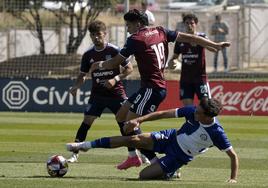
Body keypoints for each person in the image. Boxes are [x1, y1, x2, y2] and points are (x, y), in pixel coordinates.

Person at [90, 9, 231, 170]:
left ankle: (154, 159)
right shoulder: (160, 31)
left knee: (129, 124)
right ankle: (132, 157)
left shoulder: (135, 38)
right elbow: (191, 37)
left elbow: (115, 63)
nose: (127, 28)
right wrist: (215, 44)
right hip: (151, 87)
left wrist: (98, 65)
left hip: (152, 88)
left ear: (137, 24)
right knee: (121, 116)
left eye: (128, 25)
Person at [66, 98, 239, 182]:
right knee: (133, 139)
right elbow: (164, 114)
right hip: (171, 137)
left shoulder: (217, 133)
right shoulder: (193, 111)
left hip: (179, 157)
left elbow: (232, 155)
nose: (195, 112)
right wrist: (139, 120)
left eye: (199, 113)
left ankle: (169, 172)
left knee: (143, 176)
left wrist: (233, 179)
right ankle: (85, 145)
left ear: (209, 117)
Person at [67, 20, 133, 163]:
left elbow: (129, 69)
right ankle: (75, 154)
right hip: (97, 95)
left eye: (98, 34)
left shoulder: (114, 50)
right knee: (86, 122)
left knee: (126, 123)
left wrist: (115, 79)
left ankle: (135, 154)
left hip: (116, 93)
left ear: (105, 34)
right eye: (92, 35)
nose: (96, 37)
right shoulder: (88, 55)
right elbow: (82, 74)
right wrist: (76, 86)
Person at [168, 14, 213, 106]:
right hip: (185, 79)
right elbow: (174, 57)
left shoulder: (202, 37)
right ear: (184, 24)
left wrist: (207, 44)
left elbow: (213, 48)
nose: (189, 25)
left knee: (206, 107)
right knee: (188, 109)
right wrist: (171, 62)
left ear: (196, 24)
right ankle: (191, 121)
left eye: (191, 23)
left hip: (200, 78)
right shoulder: (180, 40)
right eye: (187, 23)